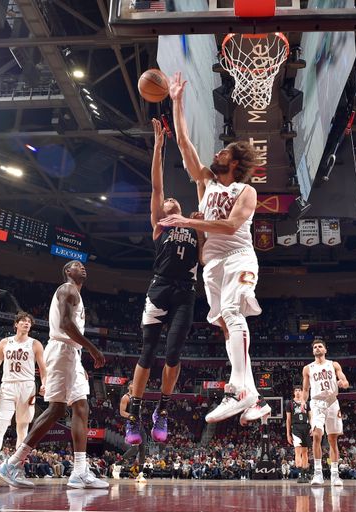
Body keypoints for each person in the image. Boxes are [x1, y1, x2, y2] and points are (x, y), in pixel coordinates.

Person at [162, 71, 269, 425]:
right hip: (212, 265)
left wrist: (189, 223)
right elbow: (183, 143)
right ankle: (252, 398)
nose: (216, 153)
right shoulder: (206, 182)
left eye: (223, 151)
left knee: (234, 313)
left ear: (234, 162)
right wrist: (176, 101)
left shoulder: (246, 192)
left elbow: (229, 226)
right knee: (225, 322)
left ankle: (237, 390)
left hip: (239, 256)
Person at [0, 260, 108, 489]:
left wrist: (78, 359)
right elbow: (66, 324)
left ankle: (79, 471)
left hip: (70, 354)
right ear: (68, 272)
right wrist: (92, 348)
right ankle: (13, 463)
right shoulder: (67, 289)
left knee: (81, 406)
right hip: (61, 351)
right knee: (57, 408)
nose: (82, 266)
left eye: (83, 264)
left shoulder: (75, 293)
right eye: (76, 265)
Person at [125, 118, 203, 446]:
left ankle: (163, 409)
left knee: (173, 353)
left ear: (181, 210)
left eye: (175, 202)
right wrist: (158, 148)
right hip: (159, 288)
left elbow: (203, 190)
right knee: (147, 352)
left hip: (185, 291)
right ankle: (135, 414)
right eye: (166, 202)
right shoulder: (160, 227)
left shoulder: (195, 226)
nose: (169, 200)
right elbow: (157, 186)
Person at [0, 311, 46, 484]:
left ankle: (16, 468)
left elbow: (43, 368)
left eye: (29, 322)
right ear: (16, 324)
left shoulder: (35, 344)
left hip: (27, 387)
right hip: (7, 385)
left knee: (22, 428)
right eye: (23, 321)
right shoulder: (4, 342)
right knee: (0, 426)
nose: (26, 323)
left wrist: (45, 384)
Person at [302, 339, 349, 486]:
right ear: (313, 351)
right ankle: (318, 474)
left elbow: (344, 380)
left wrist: (343, 383)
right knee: (317, 436)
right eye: (314, 347)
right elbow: (305, 389)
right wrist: (303, 401)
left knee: (332, 440)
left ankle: (335, 475)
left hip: (332, 402)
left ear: (325, 349)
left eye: (320, 346)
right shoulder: (307, 368)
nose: (317, 348)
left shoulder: (333, 364)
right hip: (316, 403)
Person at [119, 381, 147, 483]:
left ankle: (140, 474)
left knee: (143, 449)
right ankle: (117, 464)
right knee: (134, 449)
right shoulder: (125, 397)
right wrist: (130, 416)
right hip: (131, 425)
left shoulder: (138, 397)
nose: (134, 385)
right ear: (129, 386)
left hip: (140, 425)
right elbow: (122, 412)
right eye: (132, 384)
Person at [286, 385, 311, 483]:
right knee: (298, 451)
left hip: (305, 427)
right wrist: (288, 434)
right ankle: (300, 474)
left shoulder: (306, 403)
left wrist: (312, 427)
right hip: (296, 428)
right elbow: (288, 420)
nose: (297, 392)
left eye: (299, 390)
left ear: (302, 392)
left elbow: (310, 416)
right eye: (296, 390)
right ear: (294, 392)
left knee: (305, 452)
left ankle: (305, 473)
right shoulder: (290, 403)